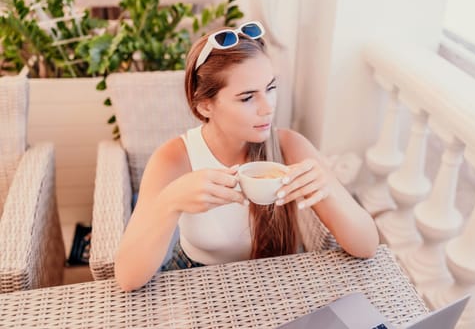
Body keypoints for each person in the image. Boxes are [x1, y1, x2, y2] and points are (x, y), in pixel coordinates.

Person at [114, 21, 379, 291]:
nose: (268, 108)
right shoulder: (174, 158)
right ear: (205, 106)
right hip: (198, 283)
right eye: (247, 98)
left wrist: (328, 187)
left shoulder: (290, 146)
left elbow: (367, 246)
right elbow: (127, 278)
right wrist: (169, 202)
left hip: (275, 282)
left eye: (271, 88)